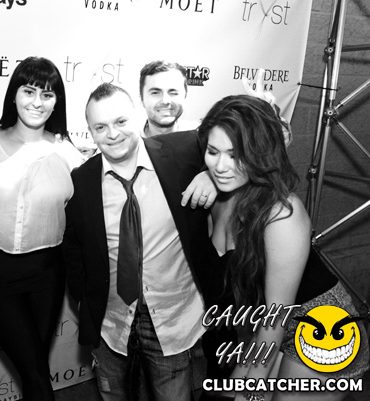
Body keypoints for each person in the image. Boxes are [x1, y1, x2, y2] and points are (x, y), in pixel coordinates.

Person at [198, 95, 369, 401]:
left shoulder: (281, 213)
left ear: (258, 155)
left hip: (324, 328)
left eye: (235, 155)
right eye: (213, 152)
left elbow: (277, 316)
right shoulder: (215, 193)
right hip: (270, 328)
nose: (220, 166)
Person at [62, 82, 219, 401]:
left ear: (137, 116)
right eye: (100, 127)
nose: (112, 134)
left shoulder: (183, 152)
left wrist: (211, 173)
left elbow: (248, 137)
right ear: (90, 132)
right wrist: (84, 300)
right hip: (111, 322)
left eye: (121, 121)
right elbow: (73, 247)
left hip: (171, 320)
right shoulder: (81, 180)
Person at [0, 56, 83, 401]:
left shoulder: (67, 152)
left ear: (57, 101)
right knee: (34, 373)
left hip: (47, 274)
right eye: (29, 91)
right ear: (14, 95)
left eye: (47, 94)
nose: (37, 102)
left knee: (35, 369)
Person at [139, 61, 199, 138]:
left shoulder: (202, 136)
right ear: (141, 99)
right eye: (155, 93)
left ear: (185, 97)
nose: (165, 101)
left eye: (173, 93)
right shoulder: (128, 139)